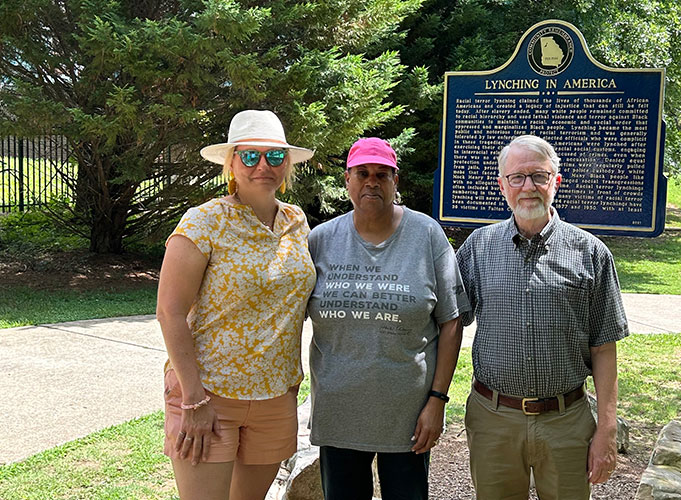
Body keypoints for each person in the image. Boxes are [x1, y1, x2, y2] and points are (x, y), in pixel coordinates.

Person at [455, 135, 629, 500]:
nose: (528, 187)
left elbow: (604, 347)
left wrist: (607, 429)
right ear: (502, 186)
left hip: (567, 421)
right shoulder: (477, 248)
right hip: (494, 419)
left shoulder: (591, 253)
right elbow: (449, 324)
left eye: (539, 176)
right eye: (517, 177)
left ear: (556, 182)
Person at [156, 110, 316, 500]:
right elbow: (170, 312)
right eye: (250, 155)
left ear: (287, 165)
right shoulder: (203, 222)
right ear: (231, 162)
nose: (264, 165)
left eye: (275, 156)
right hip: (209, 397)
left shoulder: (297, 222)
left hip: (276, 398)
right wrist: (193, 399)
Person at [306, 137, 468, 500]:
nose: (372, 182)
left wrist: (437, 400)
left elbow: (451, 321)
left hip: (408, 419)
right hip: (339, 412)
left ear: (396, 181)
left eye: (382, 174)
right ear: (347, 180)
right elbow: (283, 316)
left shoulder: (426, 235)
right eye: (362, 173)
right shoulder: (319, 241)